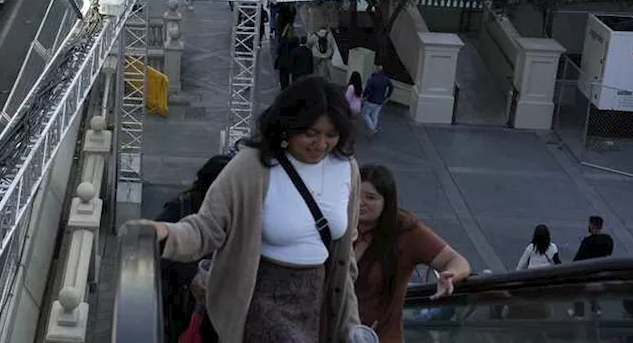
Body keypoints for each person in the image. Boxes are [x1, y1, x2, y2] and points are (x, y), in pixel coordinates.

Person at [148, 76, 365, 343]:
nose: (320, 144)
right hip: (258, 296)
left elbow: (347, 251)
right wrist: (164, 233)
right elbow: (207, 228)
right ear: (287, 126)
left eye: (331, 135)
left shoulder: (346, 167)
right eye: (310, 133)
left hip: (316, 300)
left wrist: (350, 319)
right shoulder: (251, 166)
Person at [353, 165, 471, 342]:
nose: (360, 202)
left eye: (370, 198)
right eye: (356, 195)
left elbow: (456, 260)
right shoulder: (339, 224)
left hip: (379, 335)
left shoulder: (406, 232)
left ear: (387, 202)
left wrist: (450, 276)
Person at [157, 156, 232, 342]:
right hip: (181, 304)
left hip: (224, 306)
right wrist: (191, 276)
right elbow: (156, 252)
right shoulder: (181, 207)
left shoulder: (240, 211)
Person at [569, 215, 614, 318]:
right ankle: (596, 309)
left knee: (579, 290)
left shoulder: (587, 241)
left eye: (589, 223)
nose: (588, 225)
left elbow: (578, 258)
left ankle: (579, 313)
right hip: (599, 270)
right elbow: (609, 253)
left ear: (592, 225)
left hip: (586, 270)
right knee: (593, 289)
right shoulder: (608, 239)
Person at [360, 66, 393, 135]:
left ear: (376, 71)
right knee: (375, 115)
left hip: (371, 100)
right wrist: (387, 97)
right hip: (380, 101)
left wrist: (363, 97)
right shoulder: (386, 79)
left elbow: (367, 90)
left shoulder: (371, 80)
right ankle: (373, 128)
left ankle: (372, 128)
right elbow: (391, 87)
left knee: (365, 114)